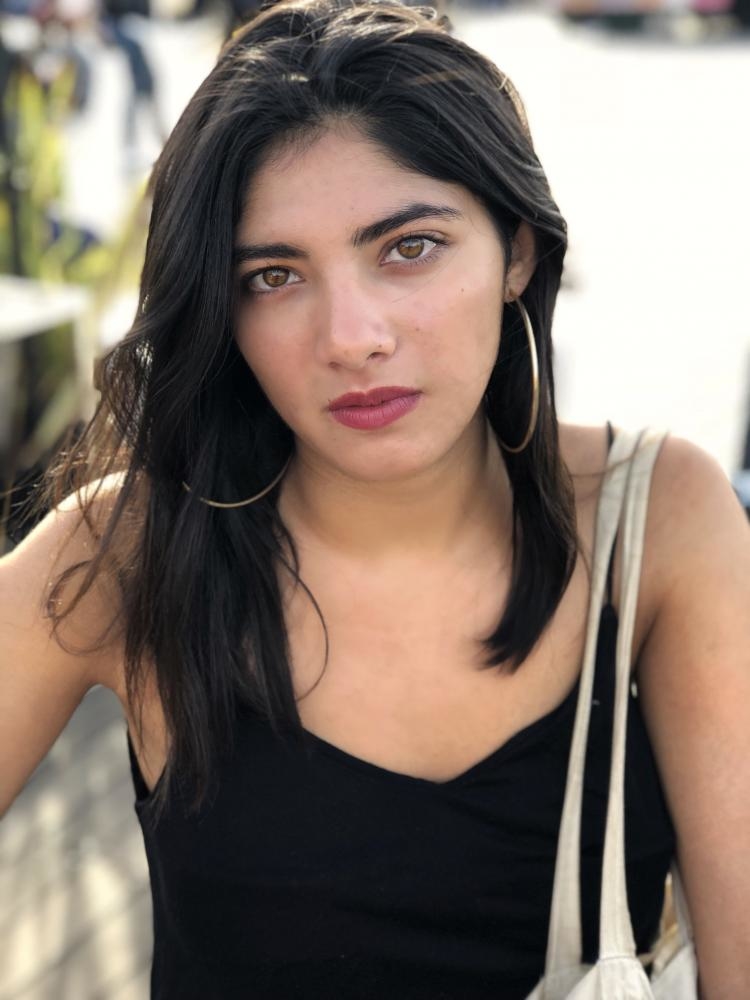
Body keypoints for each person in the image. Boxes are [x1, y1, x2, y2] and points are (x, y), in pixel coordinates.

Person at [1, 0, 749, 996]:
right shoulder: (134, 549)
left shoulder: (659, 521)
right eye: (275, 276)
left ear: (517, 251)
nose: (352, 337)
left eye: (409, 247)